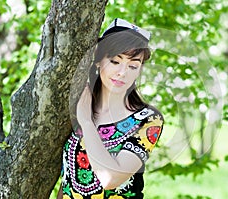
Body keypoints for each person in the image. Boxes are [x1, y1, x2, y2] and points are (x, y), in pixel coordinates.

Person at [57, 18, 164, 199]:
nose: (122, 72)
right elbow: (67, 181)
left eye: (133, 66)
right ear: (98, 61)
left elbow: (110, 179)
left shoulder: (148, 120)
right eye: (115, 61)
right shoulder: (79, 104)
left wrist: (86, 121)